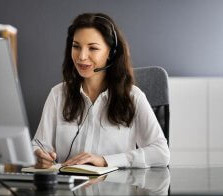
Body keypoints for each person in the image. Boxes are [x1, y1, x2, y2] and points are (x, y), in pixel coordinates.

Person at [32, 12, 170, 169]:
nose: (82, 56)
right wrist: (38, 156)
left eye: (93, 48)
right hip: (68, 190)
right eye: (76, 46)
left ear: (111, 52)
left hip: (114, 188)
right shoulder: (58, 95)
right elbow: (38, 146)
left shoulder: (133, 97)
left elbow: (161, 153)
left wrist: (106, 161)